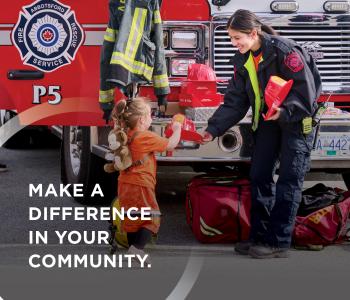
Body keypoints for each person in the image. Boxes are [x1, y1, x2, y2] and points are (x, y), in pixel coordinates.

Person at [202, 9, 321, 258]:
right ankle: (259, 237)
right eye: (231, 39)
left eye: (237, 38)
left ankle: (278, 242)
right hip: (269, 121)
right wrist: (212, 129)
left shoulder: (285, 52)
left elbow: (306, 94)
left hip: (297, 122)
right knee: (259, 175)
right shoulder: (244, 60)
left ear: (253, 33)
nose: (234, 44)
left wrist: (286, 111)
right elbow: (235, 101)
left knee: (289, 180)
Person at [113, 97, 181, 261]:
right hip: (141, 184)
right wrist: (178, 128)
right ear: (142, 120)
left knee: (131, 217)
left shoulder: (124, 135)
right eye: (151, 115)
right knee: (152, 216)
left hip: (124, 183)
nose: (152, 118)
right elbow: (170, 144)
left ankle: (132, 248)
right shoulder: (145, 136)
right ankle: (136, 249)